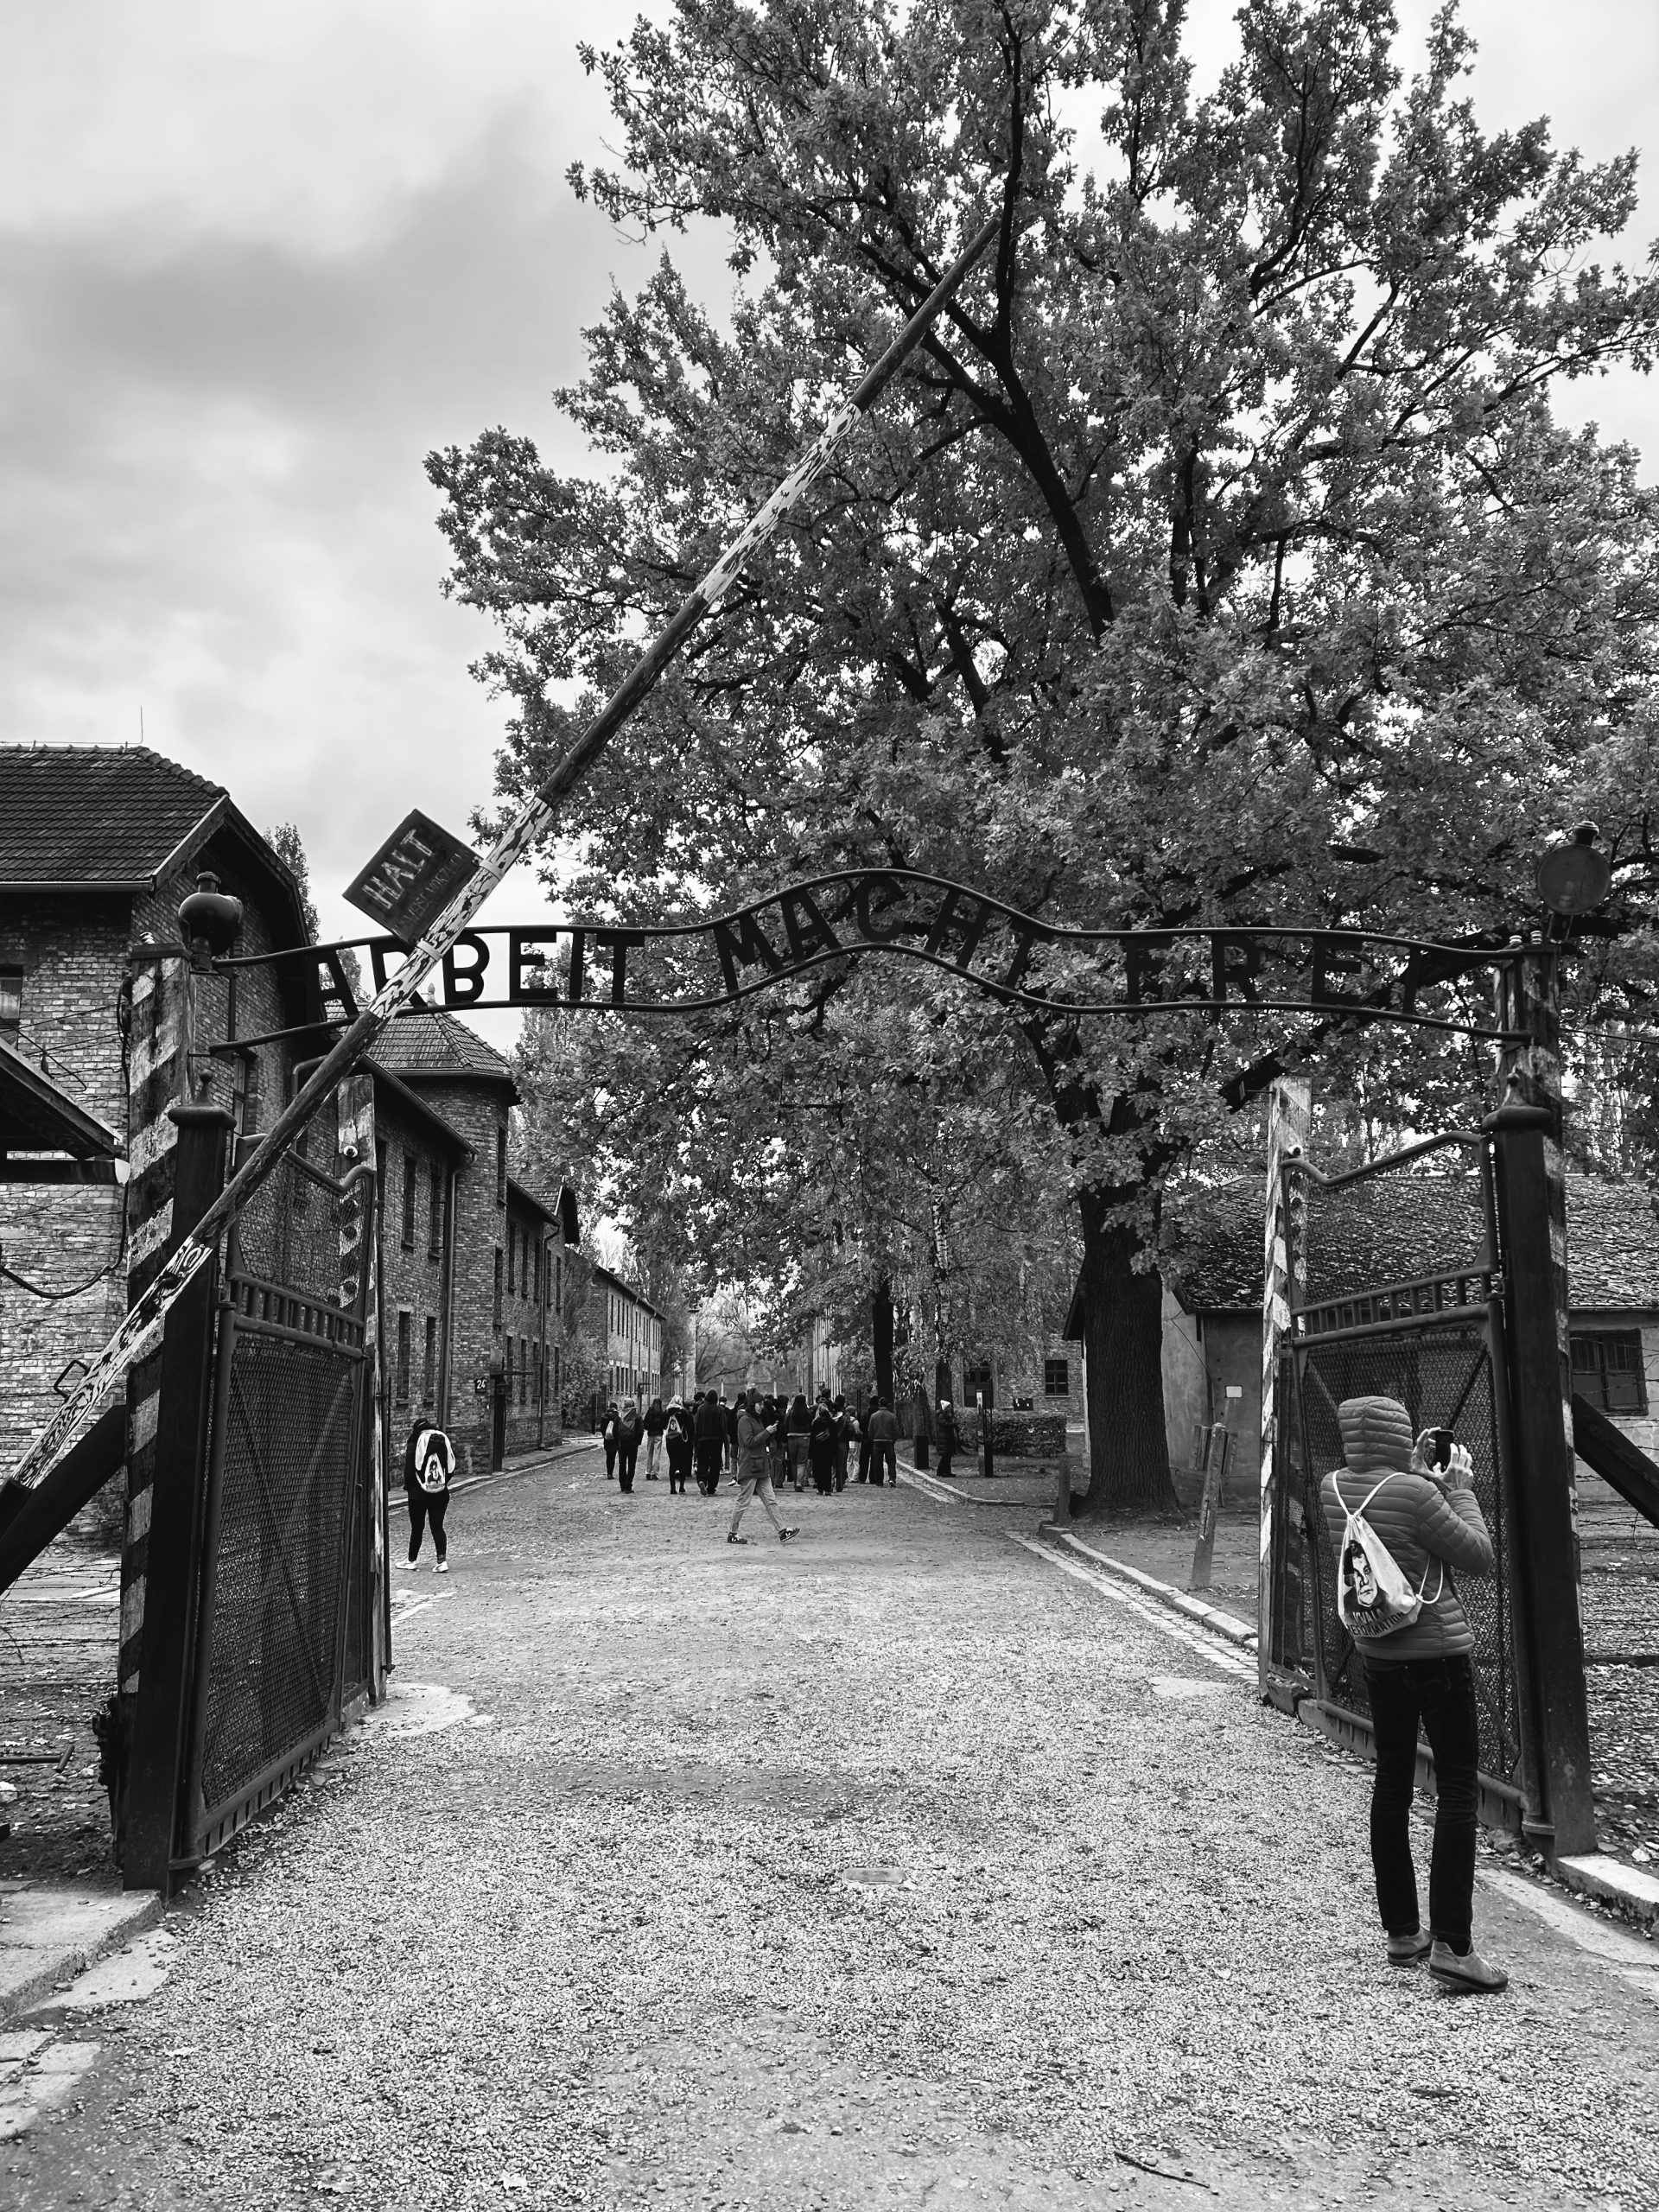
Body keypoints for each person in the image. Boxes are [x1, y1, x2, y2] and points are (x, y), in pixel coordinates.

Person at [1319, 1395, 1504, 1993]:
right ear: (1401, 1436)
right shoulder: (1420, 1494)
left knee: (1392, 1781)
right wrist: (1460, 1491)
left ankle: (1403, 1931)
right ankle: (1454, 1945)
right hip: (1437, 1655)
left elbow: (1387, 1526)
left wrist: (1421, 1480)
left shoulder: (1333, 1488)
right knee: (1457, 1789)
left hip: (1378, 1655)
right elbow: (1478, 1556)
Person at [728, 1389, 798, 1545]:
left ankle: (782, 1530)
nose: (761, 1406)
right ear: (752, 1404)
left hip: (760, 1466)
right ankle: (732, 1533)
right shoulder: (745, 1420)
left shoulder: (755, 1418)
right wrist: (767, 1432)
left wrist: (768, 1432)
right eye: (759, 1404)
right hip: (750, 1466)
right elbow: (749, 1441)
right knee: (743, 1501)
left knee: (771, 1500)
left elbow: (756, 1439)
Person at [399, 1415, 455, 1573]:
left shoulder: (415, 1442)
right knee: (437, 1527)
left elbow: (409, 1470)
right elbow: (451, 1467)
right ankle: (442, 1562)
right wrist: (442, 1483)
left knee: (417, 1528)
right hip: (441, 1493)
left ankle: (411, 1561)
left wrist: (411, 1487)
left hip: (418, 1494)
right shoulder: (443, 1440)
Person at [695, 1387, 726, 1495]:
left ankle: (702, 1480)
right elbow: (723, 1427)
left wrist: (697, 1440)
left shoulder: (701, 1409)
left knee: (702, 1462)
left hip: (703, 1440)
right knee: (715, 1465)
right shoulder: (720, 1410)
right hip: (716, 1441)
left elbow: (697, 1425)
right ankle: (711, 1487)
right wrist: (723, 1440)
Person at [664, 1395, 693, 1494]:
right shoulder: (683, 1412)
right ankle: (681, 1487)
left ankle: (672, 1488)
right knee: (682, 1463)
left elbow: (663, 1425)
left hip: (670, 1440)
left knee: (672, 1463)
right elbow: (689, 1427)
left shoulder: (667, 1412)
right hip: (681, 1440)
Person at [808, 1400, 838, 1496]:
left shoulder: (815, 1422)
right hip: (828, 1448)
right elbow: (834, 1438)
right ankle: (827, 1488)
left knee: (818, 1468)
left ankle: (820, 1488)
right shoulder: (831, 1422)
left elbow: (812, 1438)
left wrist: (811, 1452)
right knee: (827, 1469)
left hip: (818, 1449)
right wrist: (834, 1450)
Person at [868, 1395, 898, 1487]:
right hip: (889, 1441)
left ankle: (879, 1481)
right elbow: (895, 1430)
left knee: (878, 1462)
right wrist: (894, 1439)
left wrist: (872, 1438)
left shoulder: (874, 1416)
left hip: (877, 1441)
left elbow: (870, 1430)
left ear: (879, 1405)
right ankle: (892, 1478)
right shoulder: (891, 1416)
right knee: (891, 1461)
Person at [615, 1396, 643, 1492]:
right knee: (631, 1465)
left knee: (622, 1464)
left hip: (622, 1443)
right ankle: (628, 1485)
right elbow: (640, 1431)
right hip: (632, 1444)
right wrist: (638, 1441)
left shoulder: (619, 1416)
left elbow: (615, 1430)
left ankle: (622, 1485)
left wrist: (617, 1441)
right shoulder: (636, 1416)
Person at [785, 1392, 811, 1491]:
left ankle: (795, 1482)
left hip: (792, 1437)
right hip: (805, 1437)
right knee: (802, 1462)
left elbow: (785, 1423)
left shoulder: (791, 1412)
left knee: (793, 1462)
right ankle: (799, 1482)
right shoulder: (807, 1412)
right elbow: (811, 1424)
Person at [644, 1393, 668, 1482]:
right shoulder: (662, 1413)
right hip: (658, 1435)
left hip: (651, 1435)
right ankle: (655, 1473)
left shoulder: (649, 1412)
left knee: (649, 1453)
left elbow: (645, 1423)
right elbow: (665, 1425)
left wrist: (648, 1428)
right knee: (657, 1455)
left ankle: (648, 1472)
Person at [936, 1398, 961, 1482]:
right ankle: (943, 1471)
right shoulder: (942, 1416)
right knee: (945, 1457)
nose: (950, 1408)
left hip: (947, 1439)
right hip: (944, 1439)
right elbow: (945, 1424)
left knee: (947, 1456)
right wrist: (953, 1424)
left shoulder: (946, 1415)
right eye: (949, 1407)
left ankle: (945, 1471)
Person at [833, 1395, 855, 1491]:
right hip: (842, 1442)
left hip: (831, 1441)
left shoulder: (831, 1412)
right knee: (841, 1464)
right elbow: (850, 1428)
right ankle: (840, 1484)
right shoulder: (846, 1415)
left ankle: (830, 1482)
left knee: (831, 1463)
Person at [602, 1399, 620, 1482]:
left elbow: (602, 1429)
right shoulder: (617, 1417)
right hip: (614, 1440)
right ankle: (611, 1473)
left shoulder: (604, 1417)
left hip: (607, 1439)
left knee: (608, 1456)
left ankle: (609, 1472)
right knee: (613, 1456)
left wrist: (605, 1436)